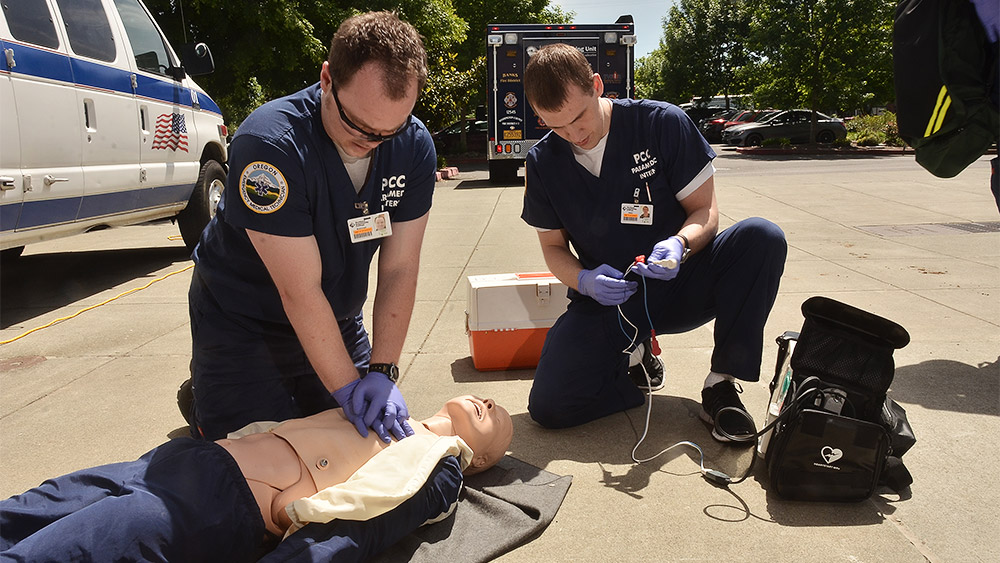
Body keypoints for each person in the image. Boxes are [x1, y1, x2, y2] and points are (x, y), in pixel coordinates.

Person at [185, 11, 437, 442]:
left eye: (388, 131)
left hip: (336, 320)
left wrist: (382, 371)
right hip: (246, 324)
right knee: (250, 453)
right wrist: (344, 388)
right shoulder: (269, 147)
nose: (370, 142)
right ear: (326, 79)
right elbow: (298, 291)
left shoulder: (413, 146)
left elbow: (399, 268)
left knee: (357, 442)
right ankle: (202, 397)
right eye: (356, 124)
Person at [520, 44, 787, 442]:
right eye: (556, 126)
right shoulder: (543, 163)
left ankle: (722, 385)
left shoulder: (660, 122)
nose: (575, 134)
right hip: (613, 299)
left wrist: (680, 244)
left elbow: (705, 212)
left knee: (761, 237)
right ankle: (632, 363)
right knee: (549, 407)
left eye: (579, 117)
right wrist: (585, 281)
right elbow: (553, 250)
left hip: (684, 281)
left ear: (596, 86)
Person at [0, 395, 513, 562]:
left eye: (495, 416)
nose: (488, 402)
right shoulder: (385, 406)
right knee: (22, 511)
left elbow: (364, 525)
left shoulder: (443, 465)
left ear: (482, 460)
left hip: (215, 504)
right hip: (173, 463)